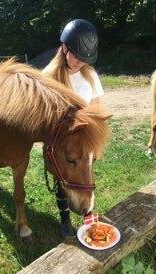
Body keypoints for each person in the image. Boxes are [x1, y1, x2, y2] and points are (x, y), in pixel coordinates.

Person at [42, 19, 104, 237]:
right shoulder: (49, 78)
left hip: (83, 138)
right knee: (63, 179)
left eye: (85, 58)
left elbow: (96, 109)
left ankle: (87, 212)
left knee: (84, 174)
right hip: (62, 138)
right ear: (64, 48)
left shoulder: (91, 76)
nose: (80, 62)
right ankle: (65, 218)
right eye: (77, 55)